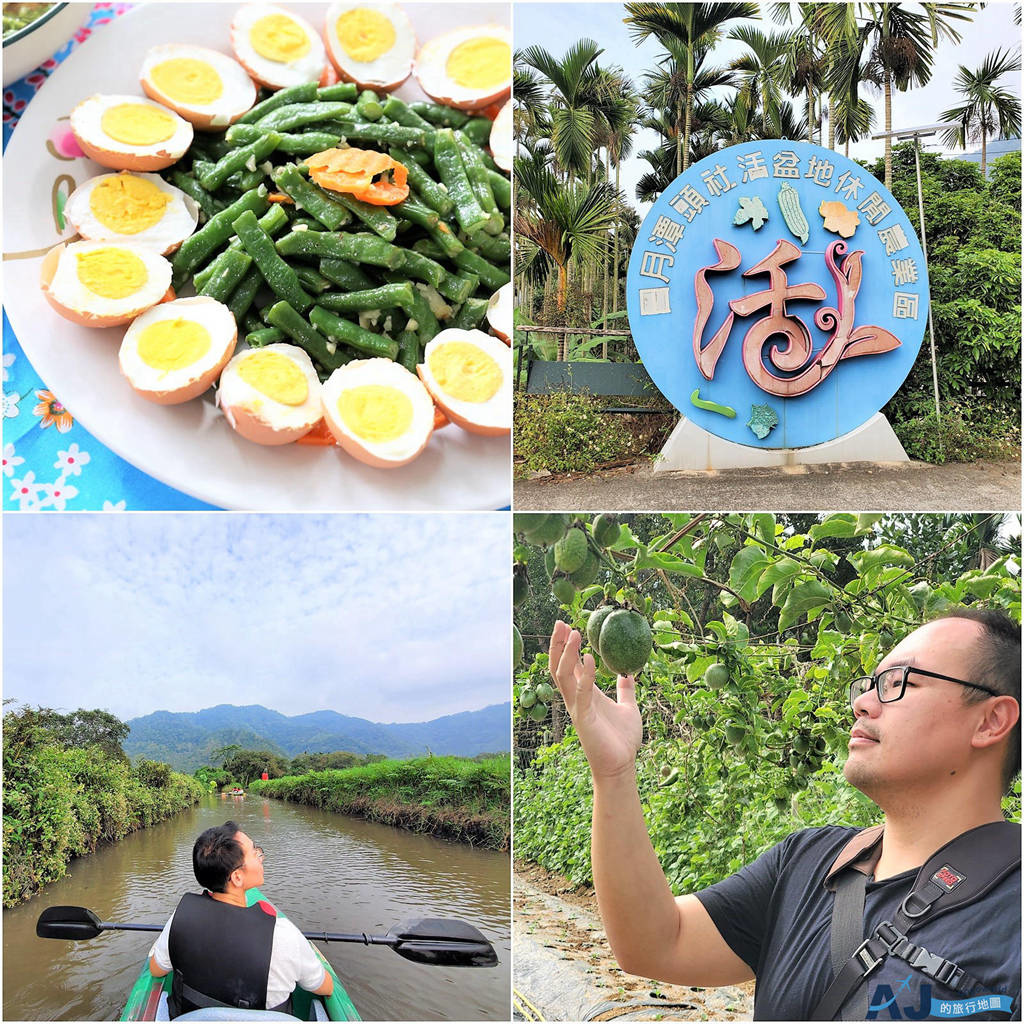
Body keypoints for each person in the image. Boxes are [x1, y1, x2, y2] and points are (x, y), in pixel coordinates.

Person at [549, 608, 1021, 1021]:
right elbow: (654, 943)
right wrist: (613, 774)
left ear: (990, 720)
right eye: (870, 683)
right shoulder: (809, 860)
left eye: (899, 683)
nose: (862, 702)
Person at [148, 821, 333, 1018]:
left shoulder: (181, 917)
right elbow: (325, 986)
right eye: (255, 853)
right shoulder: (282, 934)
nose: (261, 857)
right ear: (237, 877)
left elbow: (156, 969)